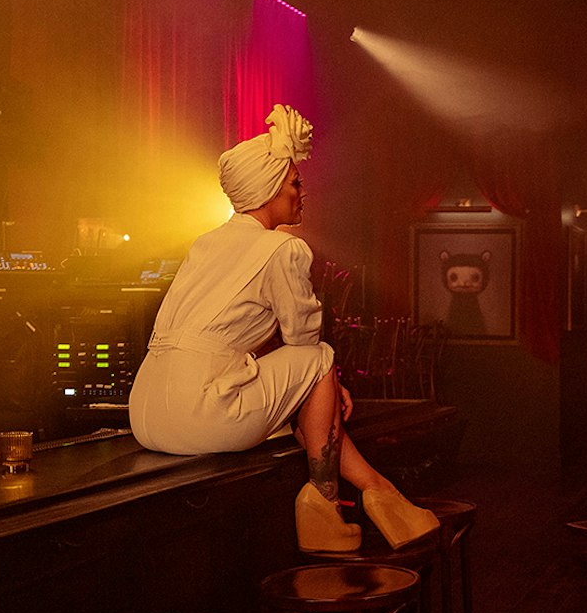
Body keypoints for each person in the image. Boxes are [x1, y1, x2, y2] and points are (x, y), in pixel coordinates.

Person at [128, 104, 439, 551]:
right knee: (320, 358)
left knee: (316, 372)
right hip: (201, 419)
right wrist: (326, 380)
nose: (301, 193)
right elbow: (303, 343)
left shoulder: (205, 244)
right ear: (271, 187)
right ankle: (326, 505)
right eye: (295, 183)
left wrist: (320, 384)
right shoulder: (282, 249)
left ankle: (380, 493)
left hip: (147, 411)